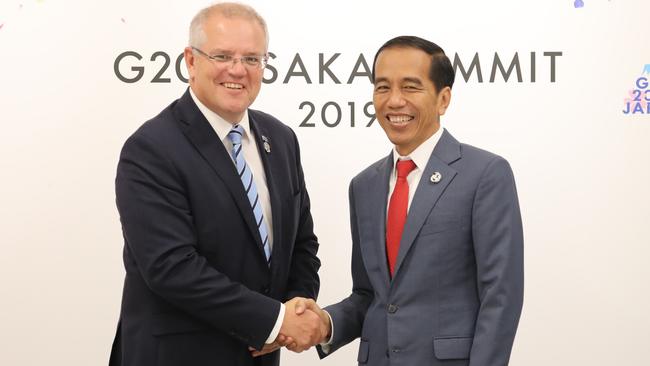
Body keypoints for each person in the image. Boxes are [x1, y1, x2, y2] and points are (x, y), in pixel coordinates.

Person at [108, 3, 324, 366]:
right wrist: (273, 321)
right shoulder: (152, 148)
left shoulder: (280, 138)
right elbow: (171, 267)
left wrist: (294, 310)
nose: (238, 70)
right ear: (191, 61)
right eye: (222, 55)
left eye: (253, 59)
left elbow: (302, 244)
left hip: (259, 354)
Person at [291, 36, 524, 365]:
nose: (394, 101)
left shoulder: (485, 174)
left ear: (443, 99)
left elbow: (500, 296)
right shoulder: (364, 185)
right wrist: (324, 325)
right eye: (382, 87)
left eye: (411, 87)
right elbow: (371, 296)